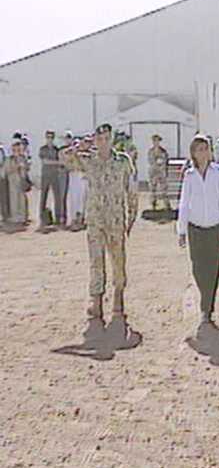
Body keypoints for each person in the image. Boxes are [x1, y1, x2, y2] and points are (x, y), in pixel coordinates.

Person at [78, 123, 137, 321]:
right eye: (99, 139)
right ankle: (96, 301)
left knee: (118, 260)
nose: (103, 143)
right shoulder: (88, 160)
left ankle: (118, 297)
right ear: (95, 140)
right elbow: (64, 158)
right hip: (95, 219)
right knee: (96, 261)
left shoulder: (123, 161)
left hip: (115, 220)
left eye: (106, 139)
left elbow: (131, 189)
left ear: (112, 140)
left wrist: (132, 215)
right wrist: (79, 147)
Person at [177, 134, 219, 328]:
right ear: (193, 153)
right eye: (199, 149)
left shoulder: (218, 172)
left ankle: (207, 309)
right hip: (195, 227)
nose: (203, 153)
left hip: (216, 226)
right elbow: (184, 203)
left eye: (205, 149)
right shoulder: (189, 175)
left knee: (213, 269)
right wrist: (181, 229)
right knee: (198, 268)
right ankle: (204, 297)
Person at [61, 135, 91, 231]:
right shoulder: (70, 153)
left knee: (82, 199)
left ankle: (81, 219)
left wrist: (78, 155)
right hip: (73, 175)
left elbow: (86, 165)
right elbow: (63, 157)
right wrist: (72, 150)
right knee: (73, 198)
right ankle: (73, 219)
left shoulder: (87, 154)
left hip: (83, 176)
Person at [37, 130, 62, 230]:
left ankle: (58, 218)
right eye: (48, 137)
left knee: (57, 197)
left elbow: (61, 160)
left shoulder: (56, 149)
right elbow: (45, 161)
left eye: (51, 137)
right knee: (43, 197)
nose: (50, 139)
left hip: (55, 175)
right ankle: (42, 218)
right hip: (45, 175)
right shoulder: (43, 149)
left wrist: (58, 163)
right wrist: (57, 162)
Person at [4, 138, 30, 227]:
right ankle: (15, 217)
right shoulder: (9, 159)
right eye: (15, 147)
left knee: (22, 200)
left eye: (18, 147)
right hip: (13, 182)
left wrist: (24, 166)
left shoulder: (22, 158)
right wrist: (16, 167)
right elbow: (6, 171)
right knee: (14, 200)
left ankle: (23, 218)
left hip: (21, 181)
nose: (17, 149)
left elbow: (26, 168)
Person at [147, 134, 171, 211]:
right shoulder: (151, 151)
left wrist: (163, 167)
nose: (156, 142)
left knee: (164, 189)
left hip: (161, 172)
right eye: (154, 141)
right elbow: (151, 161)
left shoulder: (163, 151)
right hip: (153, 172)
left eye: (157, 141)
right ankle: (153, 205)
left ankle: (166, 205)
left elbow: (165, 161)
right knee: (153, 189)